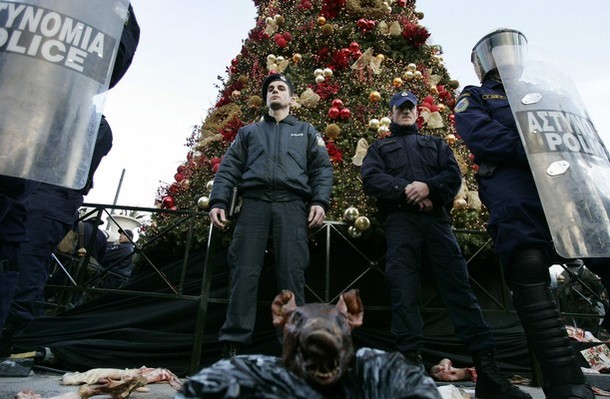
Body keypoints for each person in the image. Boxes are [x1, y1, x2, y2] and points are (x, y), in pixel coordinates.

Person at [361, 91, 531, 399]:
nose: (406, 112)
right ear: (392, 113)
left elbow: (452, 175)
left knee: (460, 292)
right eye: (400, 108)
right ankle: (410, 375)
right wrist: (406, 190)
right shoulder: (379, 147)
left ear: (418, 113)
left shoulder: (436, 145)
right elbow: (371, 178)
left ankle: (488, 373)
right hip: (400, 224)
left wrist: (429, 188)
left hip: (437, 224)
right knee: (403, 291)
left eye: (410, 107)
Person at [454, 28, 594, 398]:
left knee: (602, 253)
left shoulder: (544, 92)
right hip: (513, 187)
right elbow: (481, 137)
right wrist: (533, 146)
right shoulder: (476, 96)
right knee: (528, 267)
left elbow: (573, 130)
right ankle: (565, 382)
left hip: (567, 188)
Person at [0, 5, 140, 357]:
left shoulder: (94, 127)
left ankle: (8, 339)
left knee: (23, 262)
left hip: (48, 192)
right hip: (24, 176)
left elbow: (115, 52)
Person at [209, 73, 333, 358]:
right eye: (271, 89)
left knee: (291, 273)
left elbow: (322, 170)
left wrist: (319, 201)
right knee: (244, 271)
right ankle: (234, 346)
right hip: (254, 204)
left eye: (281, 88)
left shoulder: (307, 132)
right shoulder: (249, 133)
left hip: (292, 205)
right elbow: (229, 169)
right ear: (266, 98)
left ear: (291, 98)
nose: (275, 91)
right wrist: (218, 200)